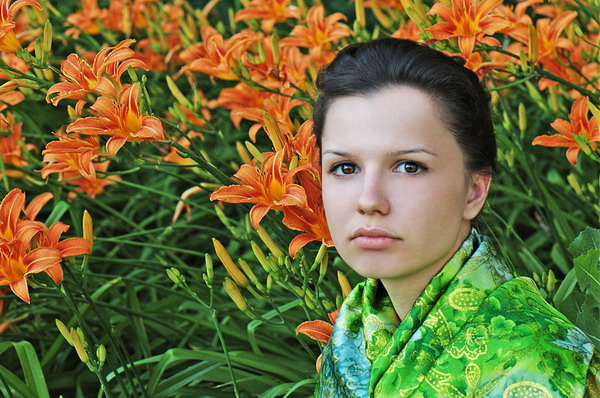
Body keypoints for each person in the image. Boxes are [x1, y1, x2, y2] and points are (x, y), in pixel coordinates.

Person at [312, 38, 598, 397]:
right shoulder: (352, 336)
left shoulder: (538, 365)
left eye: (409, 166)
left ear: (474, 191)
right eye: (345, 167)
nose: (369, 200)